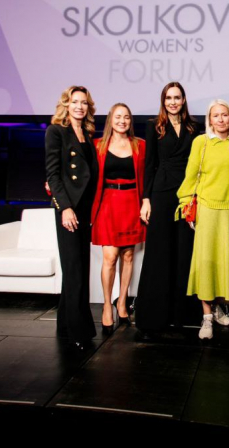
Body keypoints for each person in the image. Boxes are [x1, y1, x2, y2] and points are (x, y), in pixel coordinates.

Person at [177, 99, 229, 340]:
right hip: (207, 210)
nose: (221, 119)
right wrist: (186, 204)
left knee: (225, 263)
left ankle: (217, 308)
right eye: (216, 115)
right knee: (207, 263)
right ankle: (206, 317)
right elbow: (190, 176)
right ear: (210, 119)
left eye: (225, 114)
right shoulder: (202, 142)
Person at [135, 82, 199, 337]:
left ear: (183, 100)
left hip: (187, 195)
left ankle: (181, 315)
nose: (173, 102)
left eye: (177, 97)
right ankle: (153, 316)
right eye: (169, 98)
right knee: (159, 252)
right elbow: (149, 164)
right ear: (163, 101)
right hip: (161, 194)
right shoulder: (154, 126)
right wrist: (146, 199)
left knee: (184, 251)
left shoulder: (194, 127)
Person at [45, 85, 99, 349]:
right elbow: (53, 175)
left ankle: (65, 325)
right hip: (69, 209)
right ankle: (80, 331)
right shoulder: (56, 131)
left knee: (78, 267)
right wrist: (64, 208)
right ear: (66, 104)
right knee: (75, 269)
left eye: (84, 102)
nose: (79, 106)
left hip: (85, 208)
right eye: (75, 101)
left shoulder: (87, 133)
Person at [91, 102, 146, 332]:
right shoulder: (98, 145)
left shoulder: (140, 145)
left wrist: (146, 202)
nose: (122, 121)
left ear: (130, 121)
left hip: (132, 202)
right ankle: (107, 304)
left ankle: (122, 302)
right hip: (108, 203)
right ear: (110, 120)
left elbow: (148, 176)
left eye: (126, 117)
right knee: (110, 256)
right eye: (118, 117)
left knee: (128, 255)